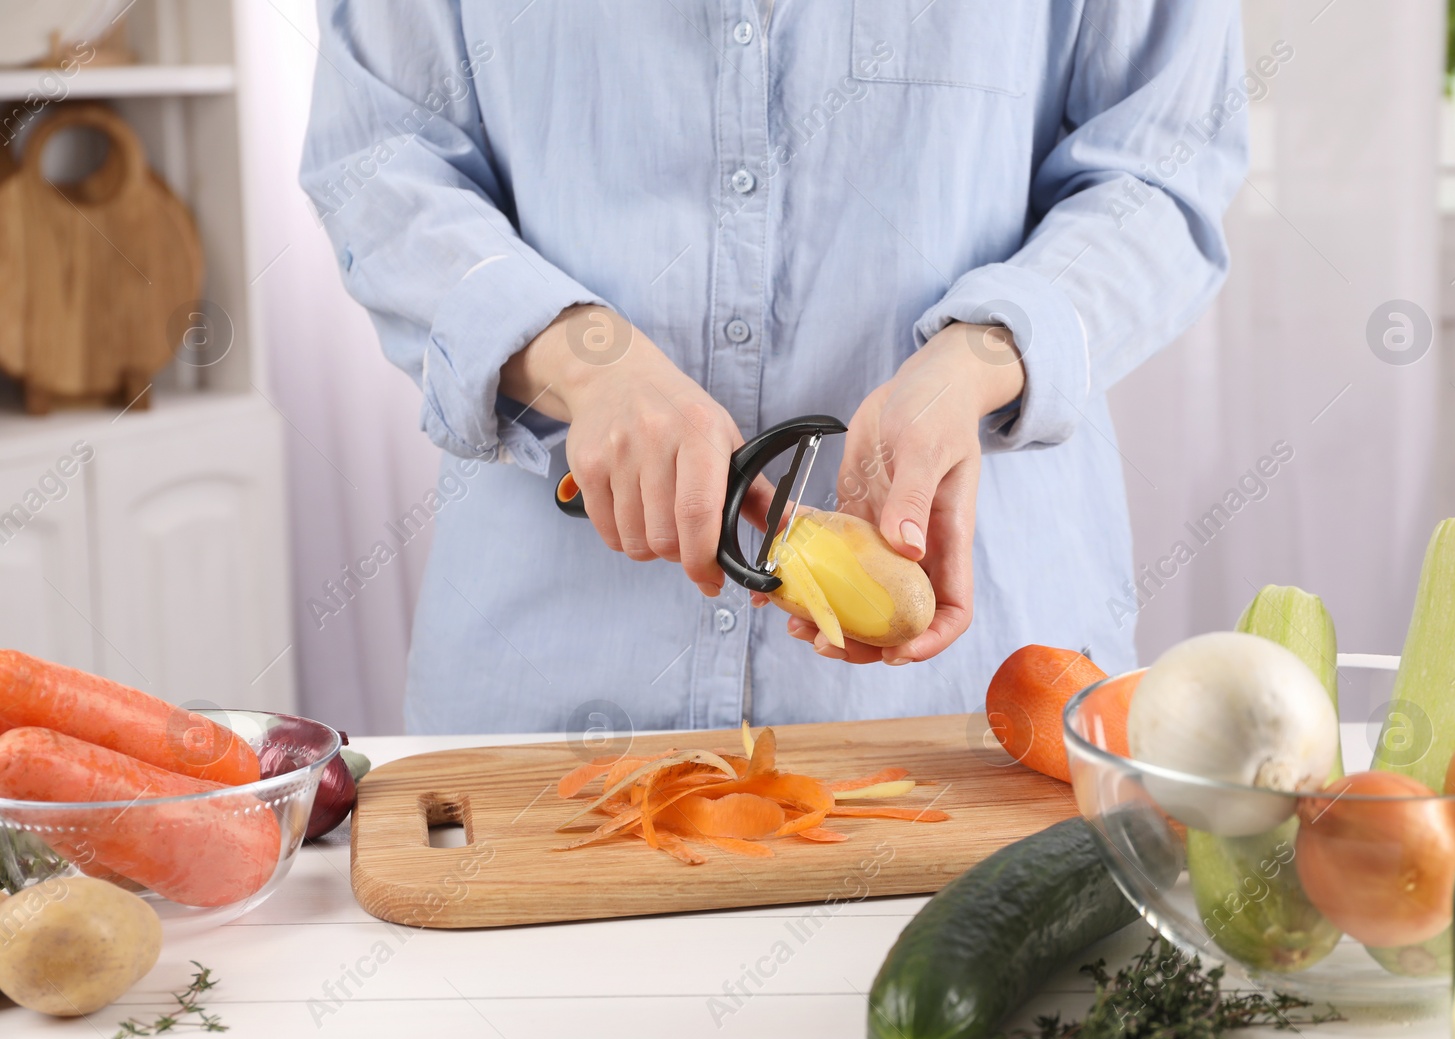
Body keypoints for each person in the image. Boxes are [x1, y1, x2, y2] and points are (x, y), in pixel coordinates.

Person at [301, 1, 1247, 735]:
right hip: (548, 698)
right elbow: (380, 156)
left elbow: (1164, 169)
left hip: (975, 700)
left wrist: (984, 355)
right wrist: (579, 358)